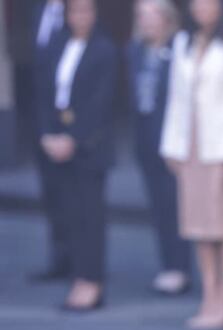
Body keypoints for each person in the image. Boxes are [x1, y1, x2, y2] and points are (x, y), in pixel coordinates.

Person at [161, 0, 223, 330]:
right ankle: (209, 294)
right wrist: (171, 145)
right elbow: (175, 97)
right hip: (190, 147)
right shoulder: (183, 42)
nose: (202, 7)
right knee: (198, 226)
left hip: (221, 148)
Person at [37, 0, 117, 311]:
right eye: (75, 11)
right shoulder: (58, 46)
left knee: (90, 217)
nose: (80, 16)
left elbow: (100, 102)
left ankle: (92, 281)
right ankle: (77, 277)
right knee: (70, 215)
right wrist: (48, 133)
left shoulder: (104, 50)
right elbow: (46, 93)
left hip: (89, 147)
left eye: (86, 10)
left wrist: (74, 138)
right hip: (58, 142)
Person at [127, 0, 191, 296]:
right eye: (142, 16)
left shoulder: (179, 48)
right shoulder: (136, 51)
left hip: (172, 143)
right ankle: (167, 265)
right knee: (158, 208)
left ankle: (180, 267)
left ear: (167, 19)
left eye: (153, 16)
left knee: (175, 206)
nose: (147, 22)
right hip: (145, 142)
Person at [29, 0, 69, 282]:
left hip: (69, 121)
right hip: (39, 118)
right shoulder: (36, 9)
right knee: (51, 193)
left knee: (75, 195)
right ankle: (58, 257)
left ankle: (82, 263)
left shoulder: (78, 11)